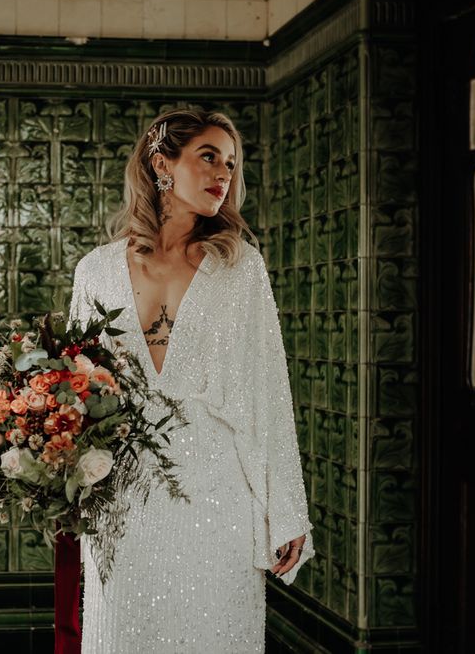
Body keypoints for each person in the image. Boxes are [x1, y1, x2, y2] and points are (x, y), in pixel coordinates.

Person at [68, 108, 314, 653]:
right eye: (208, 157)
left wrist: (286, 508)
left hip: (218, 498)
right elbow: (75, 390)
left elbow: (269, 390)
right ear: (162, 164)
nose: (223, 174)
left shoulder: (240, 267)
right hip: (121, 501)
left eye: (230, 163)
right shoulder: (95, 271)